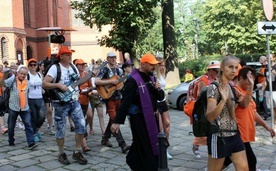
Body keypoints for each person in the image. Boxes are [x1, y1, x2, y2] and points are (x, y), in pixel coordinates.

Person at [111, 53, 165, 171]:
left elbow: (160, 97)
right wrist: (117, 121)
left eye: (154, 65)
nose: (153, 67)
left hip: (152, 118)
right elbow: (125, 102)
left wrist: (158, 89)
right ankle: (145, 166)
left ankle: (142, 164)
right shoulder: (133, 80)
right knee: (144, 145)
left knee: (148, 144)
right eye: (151, 65)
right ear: (143, 64)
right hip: (139, 119)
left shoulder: (151, 77)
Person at [223, 66, 275, 171]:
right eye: (249, 81)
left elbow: (253, 112)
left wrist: (266, 126)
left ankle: (213, 168)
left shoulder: (247, 92)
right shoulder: (235, 91)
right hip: (237, 134)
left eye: (253, 81)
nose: (251, 83)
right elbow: (244, 104)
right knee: (251, 160)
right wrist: (251, 88)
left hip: (244, 134)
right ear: (241, 78)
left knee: (228, 158)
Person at [206, 55, 253, 171]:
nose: (233, 71)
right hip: (219, 136)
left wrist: (250, 87)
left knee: (244, 168)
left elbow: (245, 104)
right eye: (230, 67)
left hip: (234, 135)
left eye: (236, 67)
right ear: (222, 67)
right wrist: (222, 101)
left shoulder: (232, 87)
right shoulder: (214, 87)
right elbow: (210, 117)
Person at [42, 46, 87, 165]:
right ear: (61, 56)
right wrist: (57, 85)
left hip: (74, 101)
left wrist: (87, 78)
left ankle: (77, 151)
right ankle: (61, 153)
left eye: (70, 54)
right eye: (67, 54)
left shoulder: (73, 67)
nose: (70, 56)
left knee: (81, 125)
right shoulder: (54, 68)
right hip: (60, 103)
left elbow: (77, 82)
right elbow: (44, 84)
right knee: (60, 129)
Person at [95, 52, 130, 153]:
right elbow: (97, 81)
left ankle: (105, 138)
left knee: (112, 119)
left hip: (118, 97)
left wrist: (121, 84)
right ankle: (122, 144)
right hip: (109, 98)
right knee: (115, 120)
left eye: (115, 57)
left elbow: (120, 84)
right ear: (107, 58)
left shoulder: (119, 70)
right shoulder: (104, 69)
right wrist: (110, 82)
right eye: (112, 58)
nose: (114, 59)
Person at [0, 65, 38, 150]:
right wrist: (4, 75)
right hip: (13, 106)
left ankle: (31, 143)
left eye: (24, 74)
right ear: (18, 73)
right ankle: (11, 140)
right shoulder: (13, 80)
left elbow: (26, 94)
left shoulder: (27, 82)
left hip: (24, 107)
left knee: (28, 124)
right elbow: (2, 84)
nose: (22, 76)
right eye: (21, 73)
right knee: (11, 125)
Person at [191, 60, 220, 159]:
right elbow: (201, 96)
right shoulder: (203, 80)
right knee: (204, 131)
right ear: (210, 71)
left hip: (214, 108)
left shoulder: (216, 79)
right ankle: (196, 146)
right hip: (204, 110)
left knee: (210, 132)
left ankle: (211, 151)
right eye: (217, 70)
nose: (218, 72)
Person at [155, 60, 173, 160]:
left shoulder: (162, 75)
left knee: (167, 125)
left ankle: (165, 148)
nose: (163, 67)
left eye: (164, 66)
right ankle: (160, 150)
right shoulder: (154, 76)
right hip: (156, 103)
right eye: (161, 65)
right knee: (160, 128)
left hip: (163, 102)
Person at [75, 59, 93, 153]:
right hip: (77, 101)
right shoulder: (74, 75)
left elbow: (91, 87)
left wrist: (88, 90)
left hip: (86, 100)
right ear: (76, 65)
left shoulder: (87, 75)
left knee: (89, 116)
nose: (82, 66)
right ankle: (84, 145)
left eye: (84, 64)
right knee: (81, 121)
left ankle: (82, 130)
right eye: (80, 65)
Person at [27, 58, 45, 142]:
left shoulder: (39, 75)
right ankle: (34, 133)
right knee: (34, 117)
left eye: (34, 65)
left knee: (42, 116)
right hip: (31, 98)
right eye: (31, 65)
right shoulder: (27, 75)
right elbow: (29, 84)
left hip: (39, 97)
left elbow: (41, 84)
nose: (33, 66)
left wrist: (41, 89)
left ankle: (37, 129)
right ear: (29, 66)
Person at [0, 64, 8, 134]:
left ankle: (2, 127)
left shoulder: (1, 75)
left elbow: (2, 85)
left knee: (1, 112)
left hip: (0, 95)